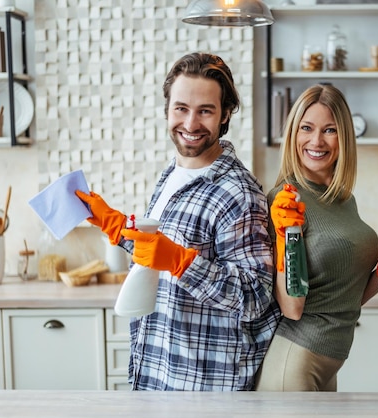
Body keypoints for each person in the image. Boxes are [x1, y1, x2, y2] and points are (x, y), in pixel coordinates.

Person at [76, 52, 280, 391]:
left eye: (205, 111)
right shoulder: (173, 172)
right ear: (167, 109)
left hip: (204, 390)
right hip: (159, 375)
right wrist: (115, 224)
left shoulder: (238, 193)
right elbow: (159, 249)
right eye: (181, 108)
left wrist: (180, 262)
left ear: (225, 114)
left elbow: (255, 296)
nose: (190, 123)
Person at [254, 84, 378, 391]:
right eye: (307, 128)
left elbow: (345, 299)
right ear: (293, 134)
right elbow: (292, 308)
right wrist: (285, 240)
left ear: (344, 138)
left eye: (329, 130)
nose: (317, 141)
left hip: (329, 361)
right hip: (294, 362)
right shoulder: (286, 201)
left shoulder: (343, 198)